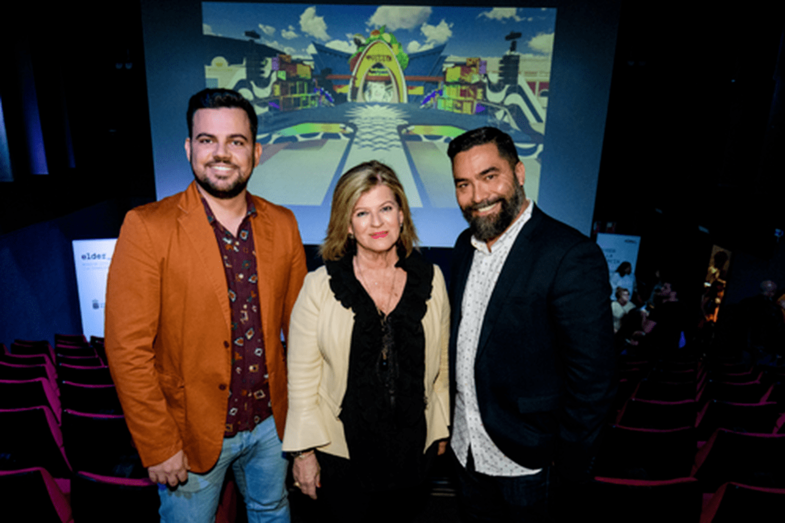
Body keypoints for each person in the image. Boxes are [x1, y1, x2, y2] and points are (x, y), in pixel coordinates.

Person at [105, 88, 307, 522]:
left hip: (271, 425)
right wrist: (158, 444)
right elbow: (127, 350)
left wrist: (303, 427)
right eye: (206, 140)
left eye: (236, 141)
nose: (221, 153)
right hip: (187, 432)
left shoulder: (284, 223)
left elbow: (301, 335)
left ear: (255, 152)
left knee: (273, 512)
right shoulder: (146, 226)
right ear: (188, 148)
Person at [446, 127, 616, 521]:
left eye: (490, 176)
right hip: (465, 451)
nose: (477, 196)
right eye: (463, 184)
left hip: (529, 463)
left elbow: (594, 381)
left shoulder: (570, 254)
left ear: (519, 173)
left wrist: (567, 464)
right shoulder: (463, 247)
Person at [282, 161, 450, 522]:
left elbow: (441, 366)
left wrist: (441, 428)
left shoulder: (432, 278)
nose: (377, 223)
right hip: (341, 453)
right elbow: (302, 381)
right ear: (347, 224)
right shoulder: (320, 286)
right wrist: (303, 454)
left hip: (413, 449)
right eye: (362, 213)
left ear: (401, 214)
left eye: (385, 208)